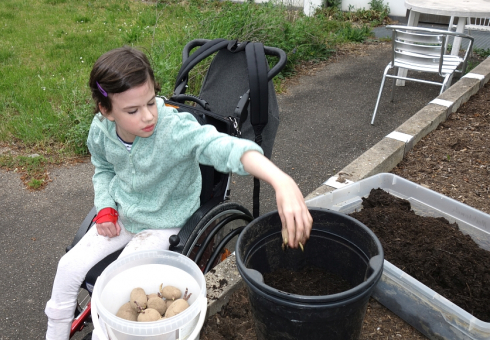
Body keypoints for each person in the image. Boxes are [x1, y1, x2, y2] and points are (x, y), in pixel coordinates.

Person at [45, 46, 313, 339]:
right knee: (67, 267)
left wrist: (280, 180)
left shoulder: (173, 128)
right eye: (133, 110)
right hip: (124, 213)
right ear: (106, 110)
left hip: (165, 220)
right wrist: (106, 205)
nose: (148, 116)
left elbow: (221, 147)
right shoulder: (100, 131)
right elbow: (104, 170)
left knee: (119, 290)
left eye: (151, 102)